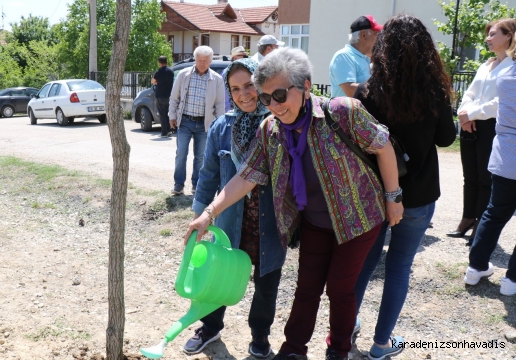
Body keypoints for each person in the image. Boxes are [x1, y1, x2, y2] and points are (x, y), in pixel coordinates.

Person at [185, 48, 402, 360]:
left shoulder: (343, 111)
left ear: (307, 86)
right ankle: (293, 350)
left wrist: (393, 198)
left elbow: (383, 148)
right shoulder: (270, 130)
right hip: (315, 222)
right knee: (307, 288)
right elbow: (246, 177)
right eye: (266, 98)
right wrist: (208, 213)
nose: (274, 105)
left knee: (340, 289)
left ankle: (338, 351)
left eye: (281, 94)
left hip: (358, 218)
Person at [353, 15, 457, 360]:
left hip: (375, 192)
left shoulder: (368, 92)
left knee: (364, 265)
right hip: (419, 195)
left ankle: (344, 328)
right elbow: (445, 138)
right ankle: (381, 345)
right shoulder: (434, 92)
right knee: (399, 268)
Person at [183, 58, 284, 358]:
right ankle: (210, 327)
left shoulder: (279, 124)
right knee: (218, 277)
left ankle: (260, 338)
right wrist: (200, 214)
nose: (244, 95)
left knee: (267, 285)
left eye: (250, 85)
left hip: (269, 224)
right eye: (235, 88)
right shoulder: (221, 127)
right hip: (230, 221)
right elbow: (208, 175)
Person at [448, 19, 516, 244]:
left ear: (509, 36)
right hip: (471, 125)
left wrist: (472, 114)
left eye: (493, 34)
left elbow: (501, 102)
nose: (487, 38)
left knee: (486, 178)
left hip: (491, 126)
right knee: (471, 176)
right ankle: (467, 218)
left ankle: (480, 224)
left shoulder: (512, 67)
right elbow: (469, 92)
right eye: (488, 34)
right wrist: (463, 113)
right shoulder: (485, 64)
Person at [464, 21, 516, 297]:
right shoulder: (497, 69)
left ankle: (475, 267)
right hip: (503, 148)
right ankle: (512, 281)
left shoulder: (506, 77)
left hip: (506, 153)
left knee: (494, 213)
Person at [169, 46, 225, 196]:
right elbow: (174, 98)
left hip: (204, 123)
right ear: (195, 59)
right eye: (199, 60)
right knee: (181, 153)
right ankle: (178, 184)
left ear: (210, 61)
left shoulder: (217, 79)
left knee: (200, 156)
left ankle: (196, 185)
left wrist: (220, 125)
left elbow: (220, 104)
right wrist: (172, 116)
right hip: (185, 121)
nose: (202, 63)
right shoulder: (183, 74)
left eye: (205, 61)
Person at [329, 15, 382, 98]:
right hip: (347, 111)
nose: (379, 38)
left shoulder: (365, 58)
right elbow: (350, 90)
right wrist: (381, 89)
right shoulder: (343, 56)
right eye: (376, 34)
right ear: (363, 35)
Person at [152, 56, 174, 137]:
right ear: (166, 62)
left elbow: (153, 81)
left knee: (162, 114)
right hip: (170, 95)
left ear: (159, 63)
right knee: (168, 113)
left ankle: (164, 132)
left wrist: (158, 82)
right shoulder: (171, 71)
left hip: (160, 95)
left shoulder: (159, 72)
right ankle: (169, 130)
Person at [222, 46, 249, 113]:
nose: (244, 58)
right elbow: (225, 97)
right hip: (233, 111)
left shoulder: (247, 70)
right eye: (242, 56)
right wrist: (228, 113)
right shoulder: (227, 72)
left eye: (245, 56)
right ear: (235, 57)